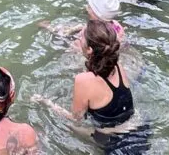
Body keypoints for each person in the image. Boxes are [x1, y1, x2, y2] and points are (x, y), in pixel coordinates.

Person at [34, 20, 145, 152]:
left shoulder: (83, 80)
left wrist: (47, 103)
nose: (78, 39)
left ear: (89, 50)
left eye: (81, 37)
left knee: (69, 126)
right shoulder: (118, 67)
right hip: (140, 129)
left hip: (116, 142)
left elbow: (76, 119)